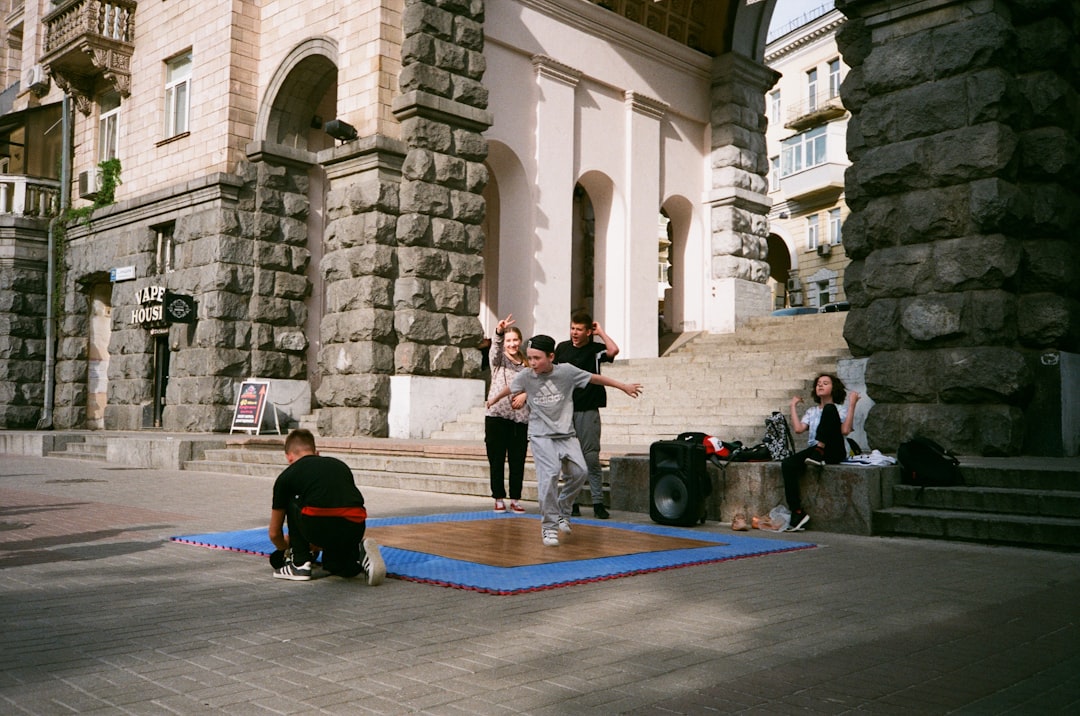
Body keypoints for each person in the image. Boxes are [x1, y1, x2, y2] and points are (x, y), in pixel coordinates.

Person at [487, 334, 642, 547]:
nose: (532, 363)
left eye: (537, 358)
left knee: (581, 472)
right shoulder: (526, 375)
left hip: (566, 434)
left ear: (551, 356)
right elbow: (512, 386)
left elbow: (596, 378)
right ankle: (549, 528)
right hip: (541, 436)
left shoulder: (567, 372)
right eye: (530, 358)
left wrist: (622, 386)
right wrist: (495, 398)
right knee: (550, 475)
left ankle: (563, 507)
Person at [268, 429, 386, 584]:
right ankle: (359, 552)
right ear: (316, 452)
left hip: (318, 526)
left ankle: (299, 564)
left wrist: (287, 547)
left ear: (289, 457)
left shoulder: (287, 476)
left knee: (293, 500)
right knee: (336, 566)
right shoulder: (339, 465)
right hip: (354, 528)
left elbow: (274, 533)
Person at [553, 311, 620, 519]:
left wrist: (600, 332)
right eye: (572, 328)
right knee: (568, 459)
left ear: (588, 332)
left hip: (588, 410)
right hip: (566, 411)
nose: (574, 332)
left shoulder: (595, 350)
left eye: (579, 329)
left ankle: (598, 502)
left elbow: (614, 350)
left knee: (590, 457)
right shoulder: (562, 348)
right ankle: (572, 502)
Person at [781, 373, 860, 531]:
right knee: (788, 464)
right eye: (818, 383)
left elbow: (845, 431)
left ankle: (819, 451)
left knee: (829, 409)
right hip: (814, 450)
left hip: (834, 450)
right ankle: (797, 512)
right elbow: (798, 429)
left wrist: (852, 404)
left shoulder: (839, 409)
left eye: (825, 383)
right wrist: (792, 406)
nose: (820, 385)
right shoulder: (811, 411)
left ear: (834, 388)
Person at [484, 313, 530, 513]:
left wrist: (525, 395)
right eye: (508, 341)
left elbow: (536, 384)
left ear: (520, 341)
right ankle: (498, 497)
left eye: (515, 340)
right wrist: (499, 332)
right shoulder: (499, 359)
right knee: (496, 458)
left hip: (520, 418)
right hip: (497, 416)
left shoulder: (527, 363)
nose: (512, 344)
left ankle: (516, 498)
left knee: (517, 459)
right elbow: (494, 350)